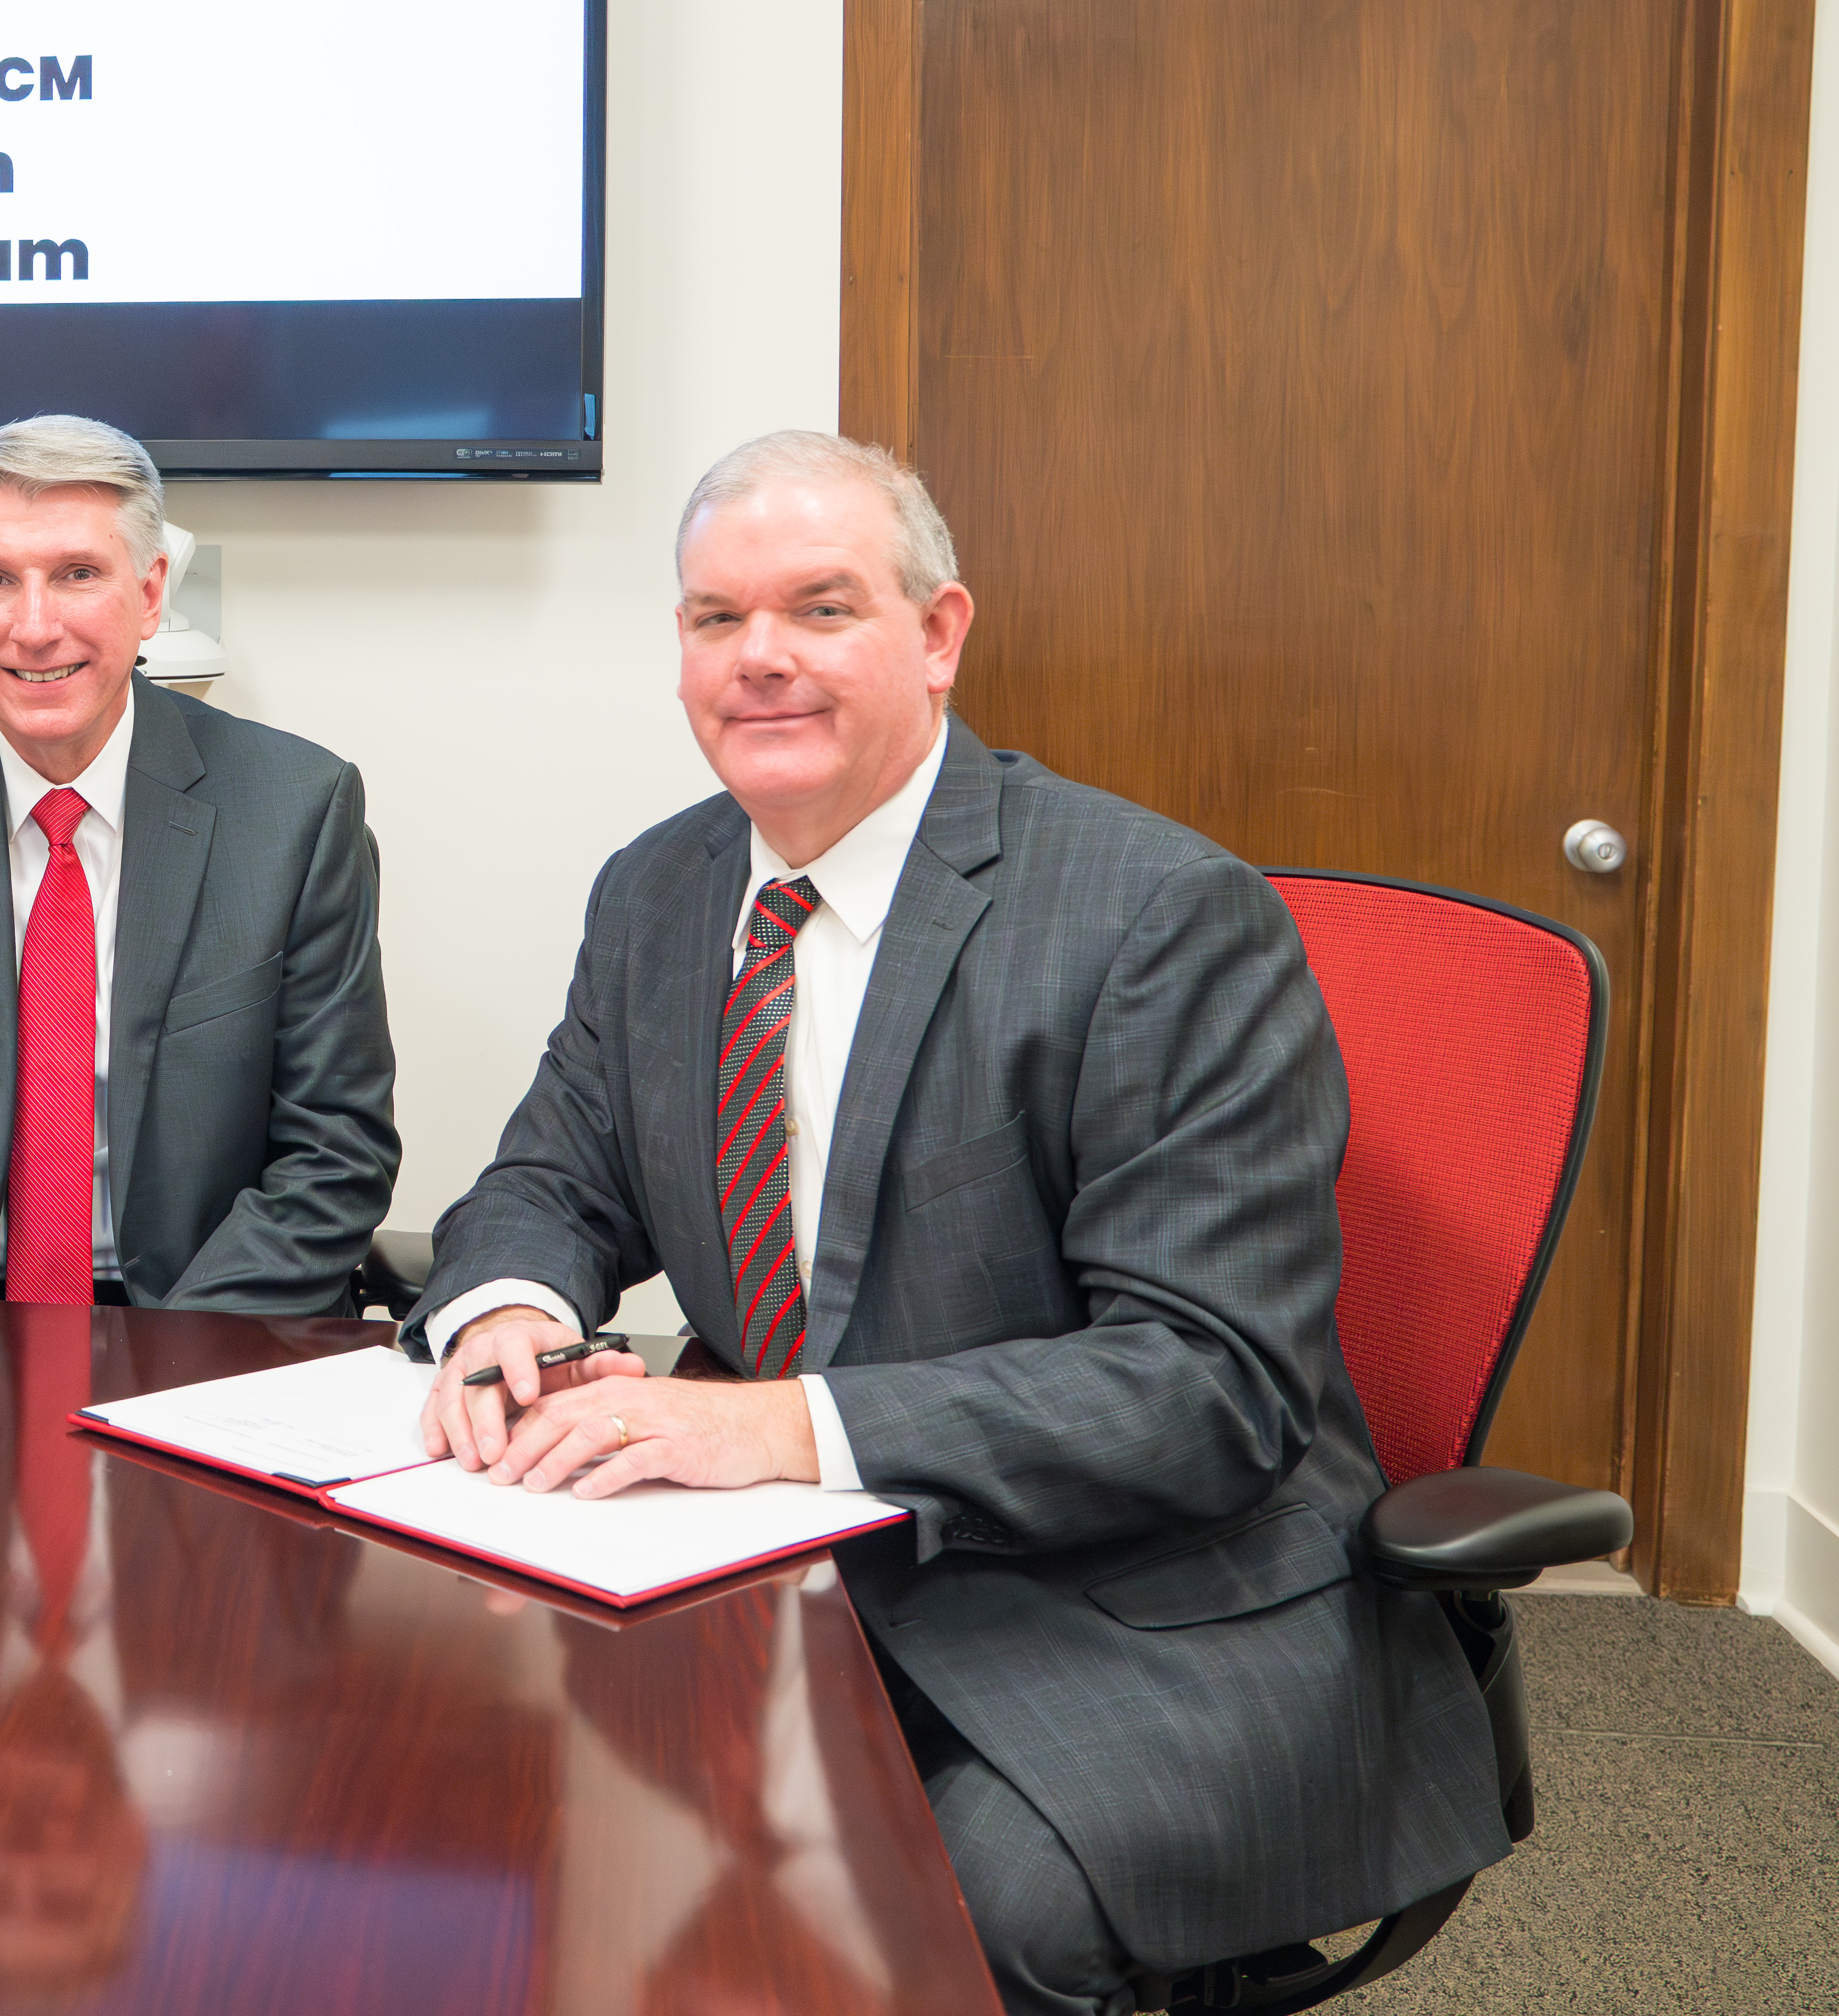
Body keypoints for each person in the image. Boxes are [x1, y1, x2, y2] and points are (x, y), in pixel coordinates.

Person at [403, 433, 1508, 2012]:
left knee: (945, 1912)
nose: (758, 655)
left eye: (819, 606)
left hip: (1132, 1590)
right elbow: (550, 1173)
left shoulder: (1152, 916)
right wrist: (507, 1302)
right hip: (778, 1552)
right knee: (479, 1801)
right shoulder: (655, 891)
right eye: (714, 619)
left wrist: (779, 1426)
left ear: (936, 635)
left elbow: (1206, 1384)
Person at [0, 414, 399, 1313]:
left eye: (78, 575)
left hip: (205, 1319)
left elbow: (335, 1155)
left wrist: (173, 1366)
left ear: (151, 591)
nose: (34, 626)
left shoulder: (294, 809)